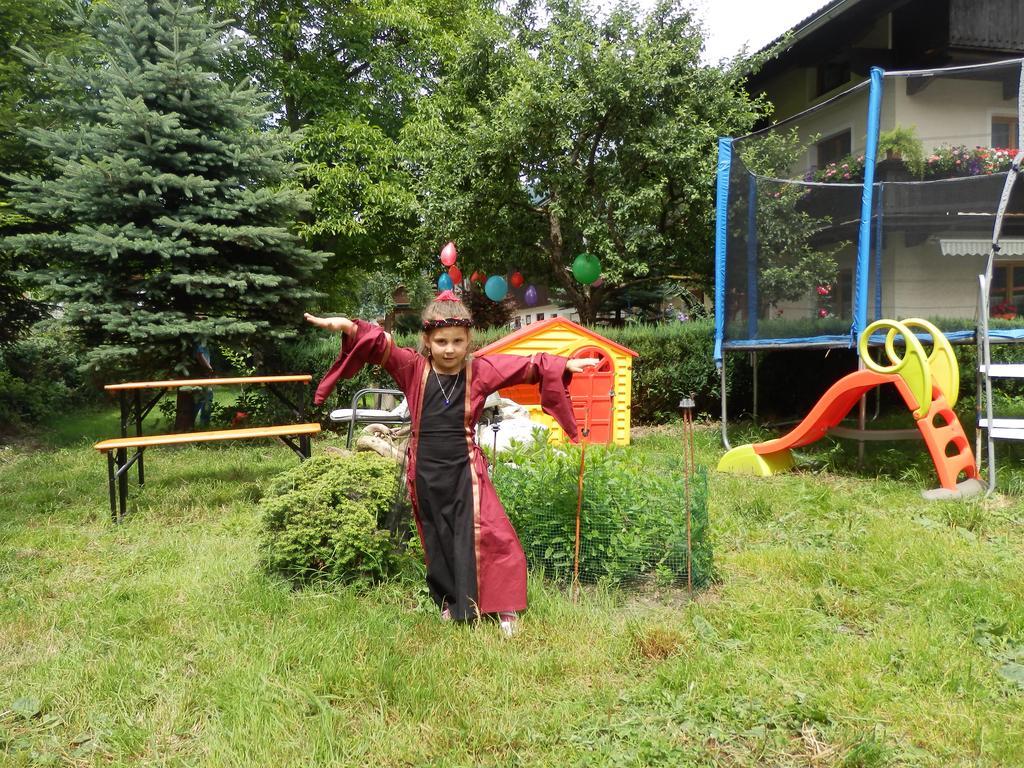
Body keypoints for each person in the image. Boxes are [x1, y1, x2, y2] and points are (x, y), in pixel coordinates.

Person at [305, 290, 597, 636]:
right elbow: (379, 345)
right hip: (426, 474)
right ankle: (455, 605)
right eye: (441, 341)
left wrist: (565, 364)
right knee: (439, 539)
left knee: (494, 532)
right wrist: (349, 327)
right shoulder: (413, 369)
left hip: (465, 472)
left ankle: (504, 607)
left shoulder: (481, 370)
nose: (449, 349)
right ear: (427, 340)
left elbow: (526, 365)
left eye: (457, 341)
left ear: (468, 340)